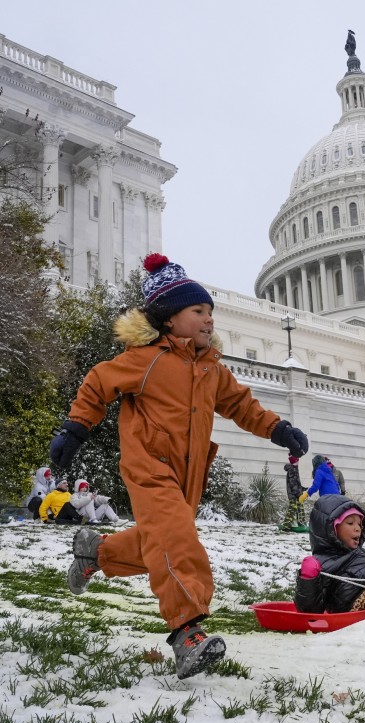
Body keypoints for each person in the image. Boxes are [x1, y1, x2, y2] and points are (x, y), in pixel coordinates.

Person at [49, 253, 308, 680]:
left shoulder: (211, 369)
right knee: (176, 539)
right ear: (169, 318)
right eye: (198, 311)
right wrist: (76, 426)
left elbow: (241, 405)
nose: (208, 320)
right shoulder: (145, 358)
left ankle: (96, 553)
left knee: (160, 542)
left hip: (188, 474)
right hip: (148, 465)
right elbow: (99, 382)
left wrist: (277, 428)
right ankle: (187, 633)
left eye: (210, 312)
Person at [281, 454, 306, 530]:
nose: (298, 462)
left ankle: (301, 523)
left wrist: (303, 488)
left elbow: (297, 483)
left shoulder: (295, 469)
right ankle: (286, 525)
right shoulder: (292, 470)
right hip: (293, 494)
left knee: (300, 508)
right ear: (294, 462)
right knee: (293, 508)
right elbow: (293, 484)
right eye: (297, 461)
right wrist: (298, 493)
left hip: (297, 493)